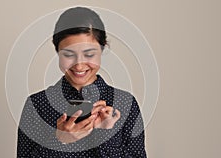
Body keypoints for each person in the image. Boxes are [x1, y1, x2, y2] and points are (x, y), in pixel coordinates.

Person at [17, 6, 147, 157]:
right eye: (68, 54)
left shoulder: (125, 103)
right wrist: (59, 141)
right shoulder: (37, 104)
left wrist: (106, 136)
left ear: (102, 49)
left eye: (89, 54)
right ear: (57, 51)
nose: (79, 65)